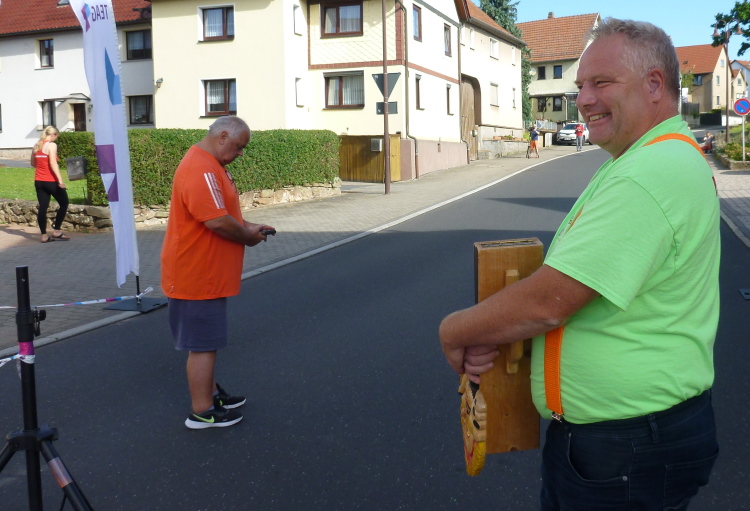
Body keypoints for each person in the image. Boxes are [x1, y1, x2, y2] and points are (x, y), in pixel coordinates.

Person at [439, 18, 720, 510]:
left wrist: (455, 330)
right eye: (580, 87)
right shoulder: (644, 160)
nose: (584, 100)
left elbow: (551, 302)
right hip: (632, 439)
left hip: (627, 446)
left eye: (601, 83)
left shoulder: (647, 173)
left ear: (655, 84)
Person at [161, 115, 275, 429]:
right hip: (196, 274)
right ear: (222, 136)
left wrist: (249, 225)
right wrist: (247, 237)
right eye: (238, 146)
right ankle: (202, 411)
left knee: (206, 342)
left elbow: (223, 213)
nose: (240, 153)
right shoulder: (202, 168)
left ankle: (210, 395)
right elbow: (217, 221)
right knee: (202, 346)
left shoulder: (210, 165)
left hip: (204, 273)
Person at [31, 126, 70, 243]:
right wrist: (60, 181)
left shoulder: (36, 145)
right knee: (64, 202)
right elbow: (53, 163)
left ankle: (44, 235)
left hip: (39, 181)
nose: (56, 139)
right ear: (53, 135)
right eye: (56, 136)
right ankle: (56, 230)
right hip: (51, 181)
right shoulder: (52, 145)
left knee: (43, 207)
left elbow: (33, 163)